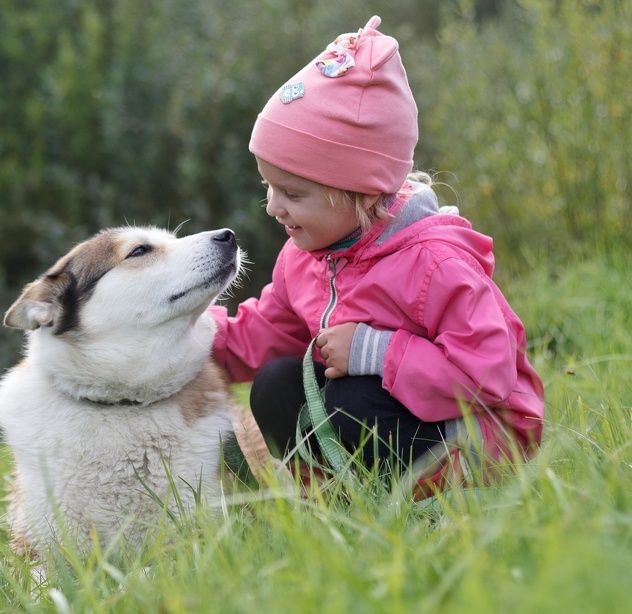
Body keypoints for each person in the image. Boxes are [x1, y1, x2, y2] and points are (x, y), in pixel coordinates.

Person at [210, 16, 544, 492]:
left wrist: (375, 351)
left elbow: (487, 376)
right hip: (384, 421)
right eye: (268, 186)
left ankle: (425, 504)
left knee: (352, 397)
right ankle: (337, 501)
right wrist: (192, 340)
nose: (272, 207)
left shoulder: (436, 264)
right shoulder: (306, 256)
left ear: (362, 193)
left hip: (476, 437)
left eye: (292, 193)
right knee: (276, 383)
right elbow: (263, 332)